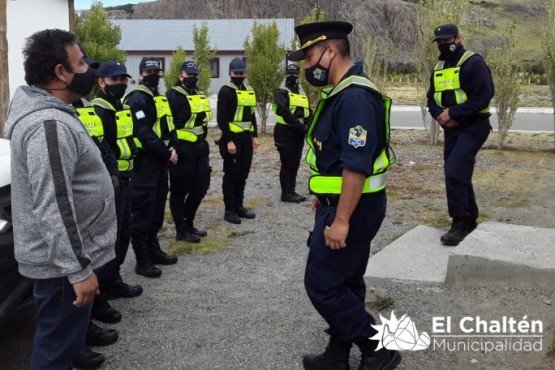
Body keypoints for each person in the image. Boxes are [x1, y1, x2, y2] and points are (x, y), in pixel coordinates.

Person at [288, 21, 400, 369]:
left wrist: (340, 220)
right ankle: (338, 355)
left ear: (329, 50)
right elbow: (335, 161)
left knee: (322, 285)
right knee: (347, 281)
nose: (307, 66)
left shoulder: (354, 97)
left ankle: (378, 347)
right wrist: (327, 197)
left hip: (354, 210)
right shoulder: (341, 93)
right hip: (345, 204)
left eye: (308, 57)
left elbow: (355, 166)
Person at [5, 29, 116, 370]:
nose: (88, 70)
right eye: (81, 63)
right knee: (55, 351)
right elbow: (53, 204)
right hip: (61, 268)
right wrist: (78, 271)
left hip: (64, 262)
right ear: (60, 72)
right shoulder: (48, 123)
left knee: (64, 347)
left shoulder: (54, 113)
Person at [426, 24, 494, 246]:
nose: (444, 45)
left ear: (458, 38)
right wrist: (441, 116)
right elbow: (431, 99)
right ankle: (470, 219)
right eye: (440, 42)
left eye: (448, 40)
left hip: (474, 126)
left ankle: (459, 223)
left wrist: (453, 112)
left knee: (454, 171)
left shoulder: (473, 62)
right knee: (458, 172)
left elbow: (483, 96)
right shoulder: (439, 67)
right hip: (452, 128)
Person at [91, 61, 144, 298]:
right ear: (102, 82)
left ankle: (114, 279)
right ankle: (101, 291)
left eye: (124, 79)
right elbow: (102, 149)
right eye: (115, 80)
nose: (121, 84)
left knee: (124, 233)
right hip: (110, 182)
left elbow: (127, 139)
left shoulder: (120, 107)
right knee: (109, 238)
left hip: (125, 177)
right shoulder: (98, 109)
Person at [125, 57, 178, 278]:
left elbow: (169, 124)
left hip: (161, 161)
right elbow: (143, 132)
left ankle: (153, 248)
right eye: (148, 72)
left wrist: (173, 145)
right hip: (146, 161)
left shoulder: (159, 96)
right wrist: (166, 152)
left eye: (156, 71)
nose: (153, 75)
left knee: (157, 208)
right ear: (140, 75)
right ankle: (142, 259)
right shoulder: (138, 97)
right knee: (144, 211)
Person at [166, 61, 212, 243]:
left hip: (200, 148)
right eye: (189, 75)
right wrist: (172, 148)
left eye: (195, 75)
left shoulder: (199, 95)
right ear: (180, 76)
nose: (192, 78)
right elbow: (168, 125)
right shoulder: (173, 96)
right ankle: (181, 229)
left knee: (201, 186)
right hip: (182, 149)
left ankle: (189, 223)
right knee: (179, 190)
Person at [216, 57, 260, 224]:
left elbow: (252, 114)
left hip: (246, 139)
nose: (239, 75)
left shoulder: (248, 90)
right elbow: (222, 119)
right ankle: (229, 210)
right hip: (232, 139)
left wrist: (255, 136)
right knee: (231, 175)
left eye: (241, 73)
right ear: (230, 73)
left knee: (243, 174)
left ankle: (239, 206)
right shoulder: (226, 91)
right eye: (236, 73)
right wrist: (228, 141)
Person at [272, 63, 311, 203]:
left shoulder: (302, 93)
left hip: (298, 132)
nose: (292, 76)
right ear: (285, 75)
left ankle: (292, 191)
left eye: (295, 74)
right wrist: (300, 126)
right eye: (289, 74)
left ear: (299, 76)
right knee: (287, 162)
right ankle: (286, 193)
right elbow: (284, 111)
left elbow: (308, 111)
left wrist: (308, 124)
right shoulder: (281, 91)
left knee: (295, 162)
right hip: (285, 131)